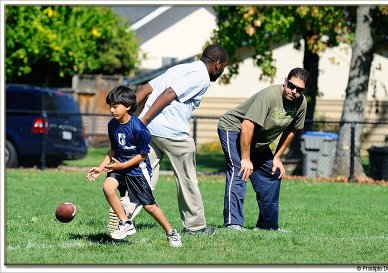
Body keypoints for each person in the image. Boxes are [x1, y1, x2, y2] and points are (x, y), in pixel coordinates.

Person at [108, 44, 228, 235]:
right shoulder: (201, 77)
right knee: (187, 179)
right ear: (218, 64)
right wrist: (143, 120)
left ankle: (122, 213)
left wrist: (132, 116)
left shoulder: (179, 68)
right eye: (223, 68)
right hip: (172, 133)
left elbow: (146, 88)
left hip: (149, 130)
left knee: (142, 176)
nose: (221, 72)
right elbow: (169, 94)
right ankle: (195, 227)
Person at [86, 85, 182, 247]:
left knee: (149, 207)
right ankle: (126, 222)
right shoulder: (112, 125)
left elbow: (143, 155)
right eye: (110, 106)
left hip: (138, 170)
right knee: (108, 188)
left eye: (115, 106)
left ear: (128, 107)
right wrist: (100, 167)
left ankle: (171, 232)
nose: (112, 110)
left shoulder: (139, 128)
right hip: (120, 167)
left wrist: (123, 166)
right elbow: (114, 149)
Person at [217, 67, 310, 231]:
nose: (293, 91)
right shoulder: (268, 97)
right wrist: (245, 159)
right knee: (240, 170)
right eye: (291, 85)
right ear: (285, 81)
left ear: (304, 91)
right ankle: (233, 223)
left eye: (299, 89)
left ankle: (267, 225)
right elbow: (247, 125)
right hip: (234, 129)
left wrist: (277, 157)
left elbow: (292, 130)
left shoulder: (301, 103)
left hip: (256, 139)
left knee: (273, 172)